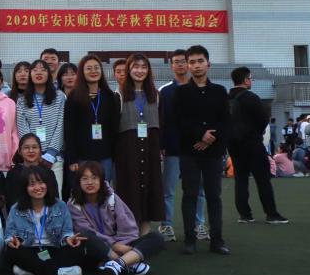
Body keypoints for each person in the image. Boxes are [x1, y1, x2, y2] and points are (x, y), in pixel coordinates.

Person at [175, 45, 231, 255]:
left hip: (213, 152)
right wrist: (200, 135)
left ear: (208, 64)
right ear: (187, 66)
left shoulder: (220, 91)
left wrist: (209, 139)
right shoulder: (181, 92)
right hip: (189, 151)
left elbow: (225, 121)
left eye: (200, 61)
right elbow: (179, 121)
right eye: (192, 62)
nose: (196, 65)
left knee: (214, 196)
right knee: (189, 194)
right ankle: (190, 240)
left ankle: (217, 240)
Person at [68, 160, 165, 275]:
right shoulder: (74, 204)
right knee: (84, 235)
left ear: (101, 180)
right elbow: (85, 230)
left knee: (157, 237)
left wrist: (121, 245)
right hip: (99, 247)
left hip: (122, 243)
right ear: (78, 182)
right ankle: (130, 263)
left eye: (94, 178)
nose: (90, 182)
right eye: (84, 179)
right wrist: (113, 245)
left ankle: (117, 264)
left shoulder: (112, 198)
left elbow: (128, 227)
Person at [4, 164, 87, 275]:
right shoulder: (16, 209)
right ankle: (60, 272)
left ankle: (30, 271)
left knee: (78, 249)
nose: (38, 187)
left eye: (41, 183)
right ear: (25, 188)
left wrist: (68, 238)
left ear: (47, 184)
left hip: (54, 249)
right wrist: (12, 241)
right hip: (29, 250)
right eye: (32, 184)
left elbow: (67, 231)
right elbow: (9, 234)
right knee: (11, 251)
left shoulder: (60, 206)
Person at [158, 49, 207, 242]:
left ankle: (198, 224)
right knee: (168, 191)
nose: (180, 64)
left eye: (183, 61)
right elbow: (161, 121)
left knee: (198, 190)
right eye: (176, 62)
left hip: (197, 149)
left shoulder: (201, 88)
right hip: (173, 149)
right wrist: (161, 145)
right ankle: (166, 225)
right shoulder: (165, 91)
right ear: (171, 66)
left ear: (189, 64)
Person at [228, 67, 288, 223]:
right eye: (250, 78)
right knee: (263, 180)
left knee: (241, 180)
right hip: (253, 143)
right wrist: (257, 133)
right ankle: (271, 214)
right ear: (246, 80)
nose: (251, 81)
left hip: (234, 145)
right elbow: (263, 119)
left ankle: (245, 215)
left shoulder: (227, 98)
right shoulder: (251, 97)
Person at [115, 54, 164, 233]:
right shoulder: (119, 95)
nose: (140, 71)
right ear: (128, 70)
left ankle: (145, 234)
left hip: (150, 150)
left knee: (150, 189)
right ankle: (129, 233)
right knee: (129, 191)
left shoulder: (156, 95)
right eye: (136, 67)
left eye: (144, 67)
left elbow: (161, 124)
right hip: (128, 152)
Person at [64, 55, 119, 189]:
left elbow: (114, 128)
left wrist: (115, 155)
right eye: (89, 68)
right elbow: (69, 129)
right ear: (82, 72)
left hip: (105, 155)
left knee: (104, 190)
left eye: (96, 68)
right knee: (84, 191)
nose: (93, 71)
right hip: (82, 156)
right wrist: (72, 158)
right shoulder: (74, 97)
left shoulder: (109, 96)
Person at [15, 59, 66, 190]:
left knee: (55, 194)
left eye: (43, 70)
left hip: (54, 159)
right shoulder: (22, 101)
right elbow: (23, 129)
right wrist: (33, 153)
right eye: (35, 70)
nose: (39, 73)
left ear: (49, 74)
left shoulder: (60, 97)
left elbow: (61, 126)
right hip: (31, 158)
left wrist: (50, 154)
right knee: (34, 193)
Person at [5, 133, 59, 209]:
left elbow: (54, 201)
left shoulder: (49, 173)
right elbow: (11, 203)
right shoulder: (12, 174)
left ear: (40, 150)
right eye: (26, 148)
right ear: (19, 151)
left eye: (34, 147)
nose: (31, 151)